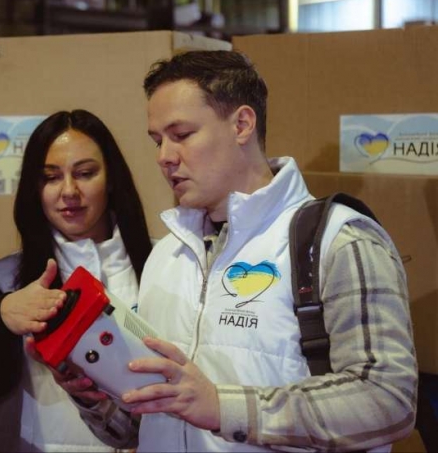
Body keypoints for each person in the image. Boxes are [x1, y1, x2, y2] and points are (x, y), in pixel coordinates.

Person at [65, 50, 418, 452]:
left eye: (182, 135)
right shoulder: (166, 256)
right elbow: (142, 426)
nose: (164, 157)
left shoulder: (339, 241)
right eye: (157, 141)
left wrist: (224, 408)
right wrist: (92, 395)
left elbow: (388, 399)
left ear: (242, 125)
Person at [0, 109, 153, 452]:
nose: (69, 191)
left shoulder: (161, 264)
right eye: (51, 177)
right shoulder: (2, 279)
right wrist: (2, 318)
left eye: (85, 173)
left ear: (111, 179)